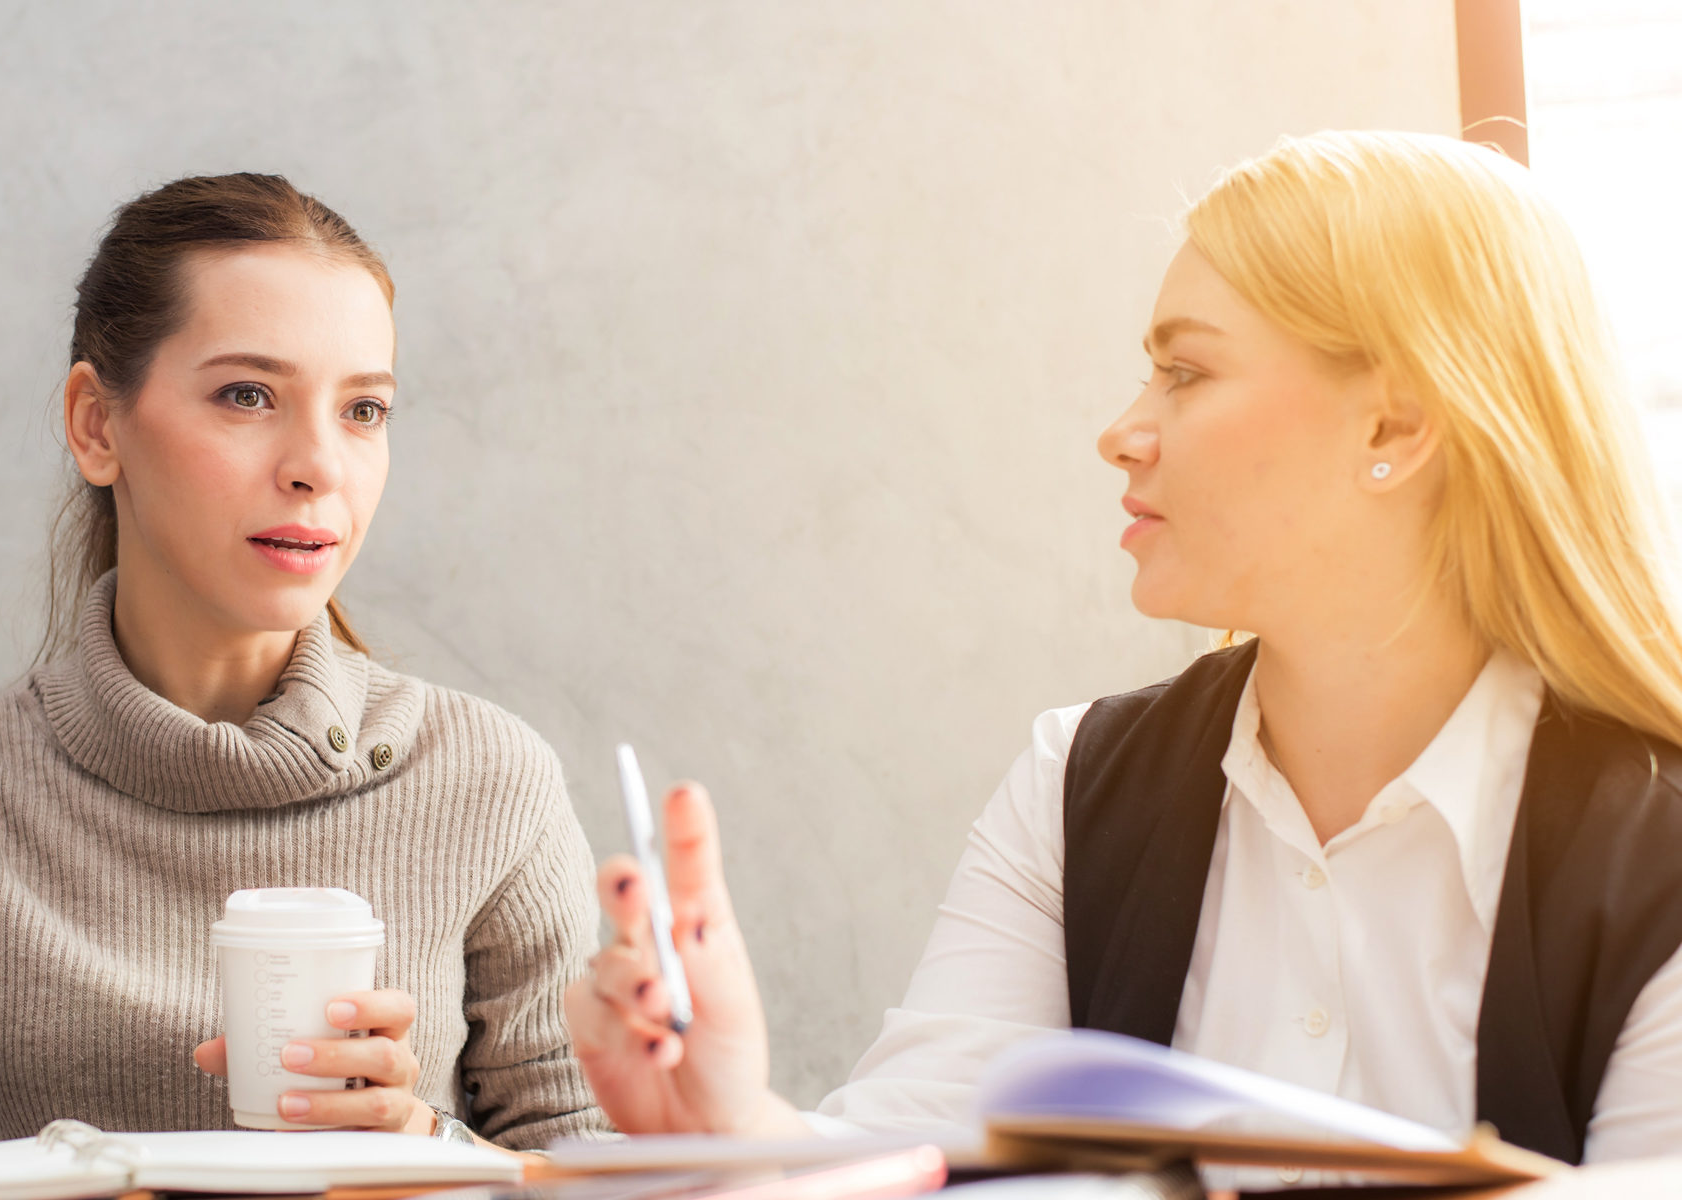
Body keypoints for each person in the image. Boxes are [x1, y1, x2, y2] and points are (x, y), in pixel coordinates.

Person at [565, 131, 1682, 1167]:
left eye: (1184, 373)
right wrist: (735, 1127)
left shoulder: (1655, 855)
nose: (1121, 432)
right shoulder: (1076, 784)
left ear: (1392, 426)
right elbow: (915, 1164)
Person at [0, 174, 608, 1182]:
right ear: (96, 425)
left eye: (363, 409)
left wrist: (429, 1153)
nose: (319, 466)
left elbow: (602, 1165)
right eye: (247, 395)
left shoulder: (489, 779)